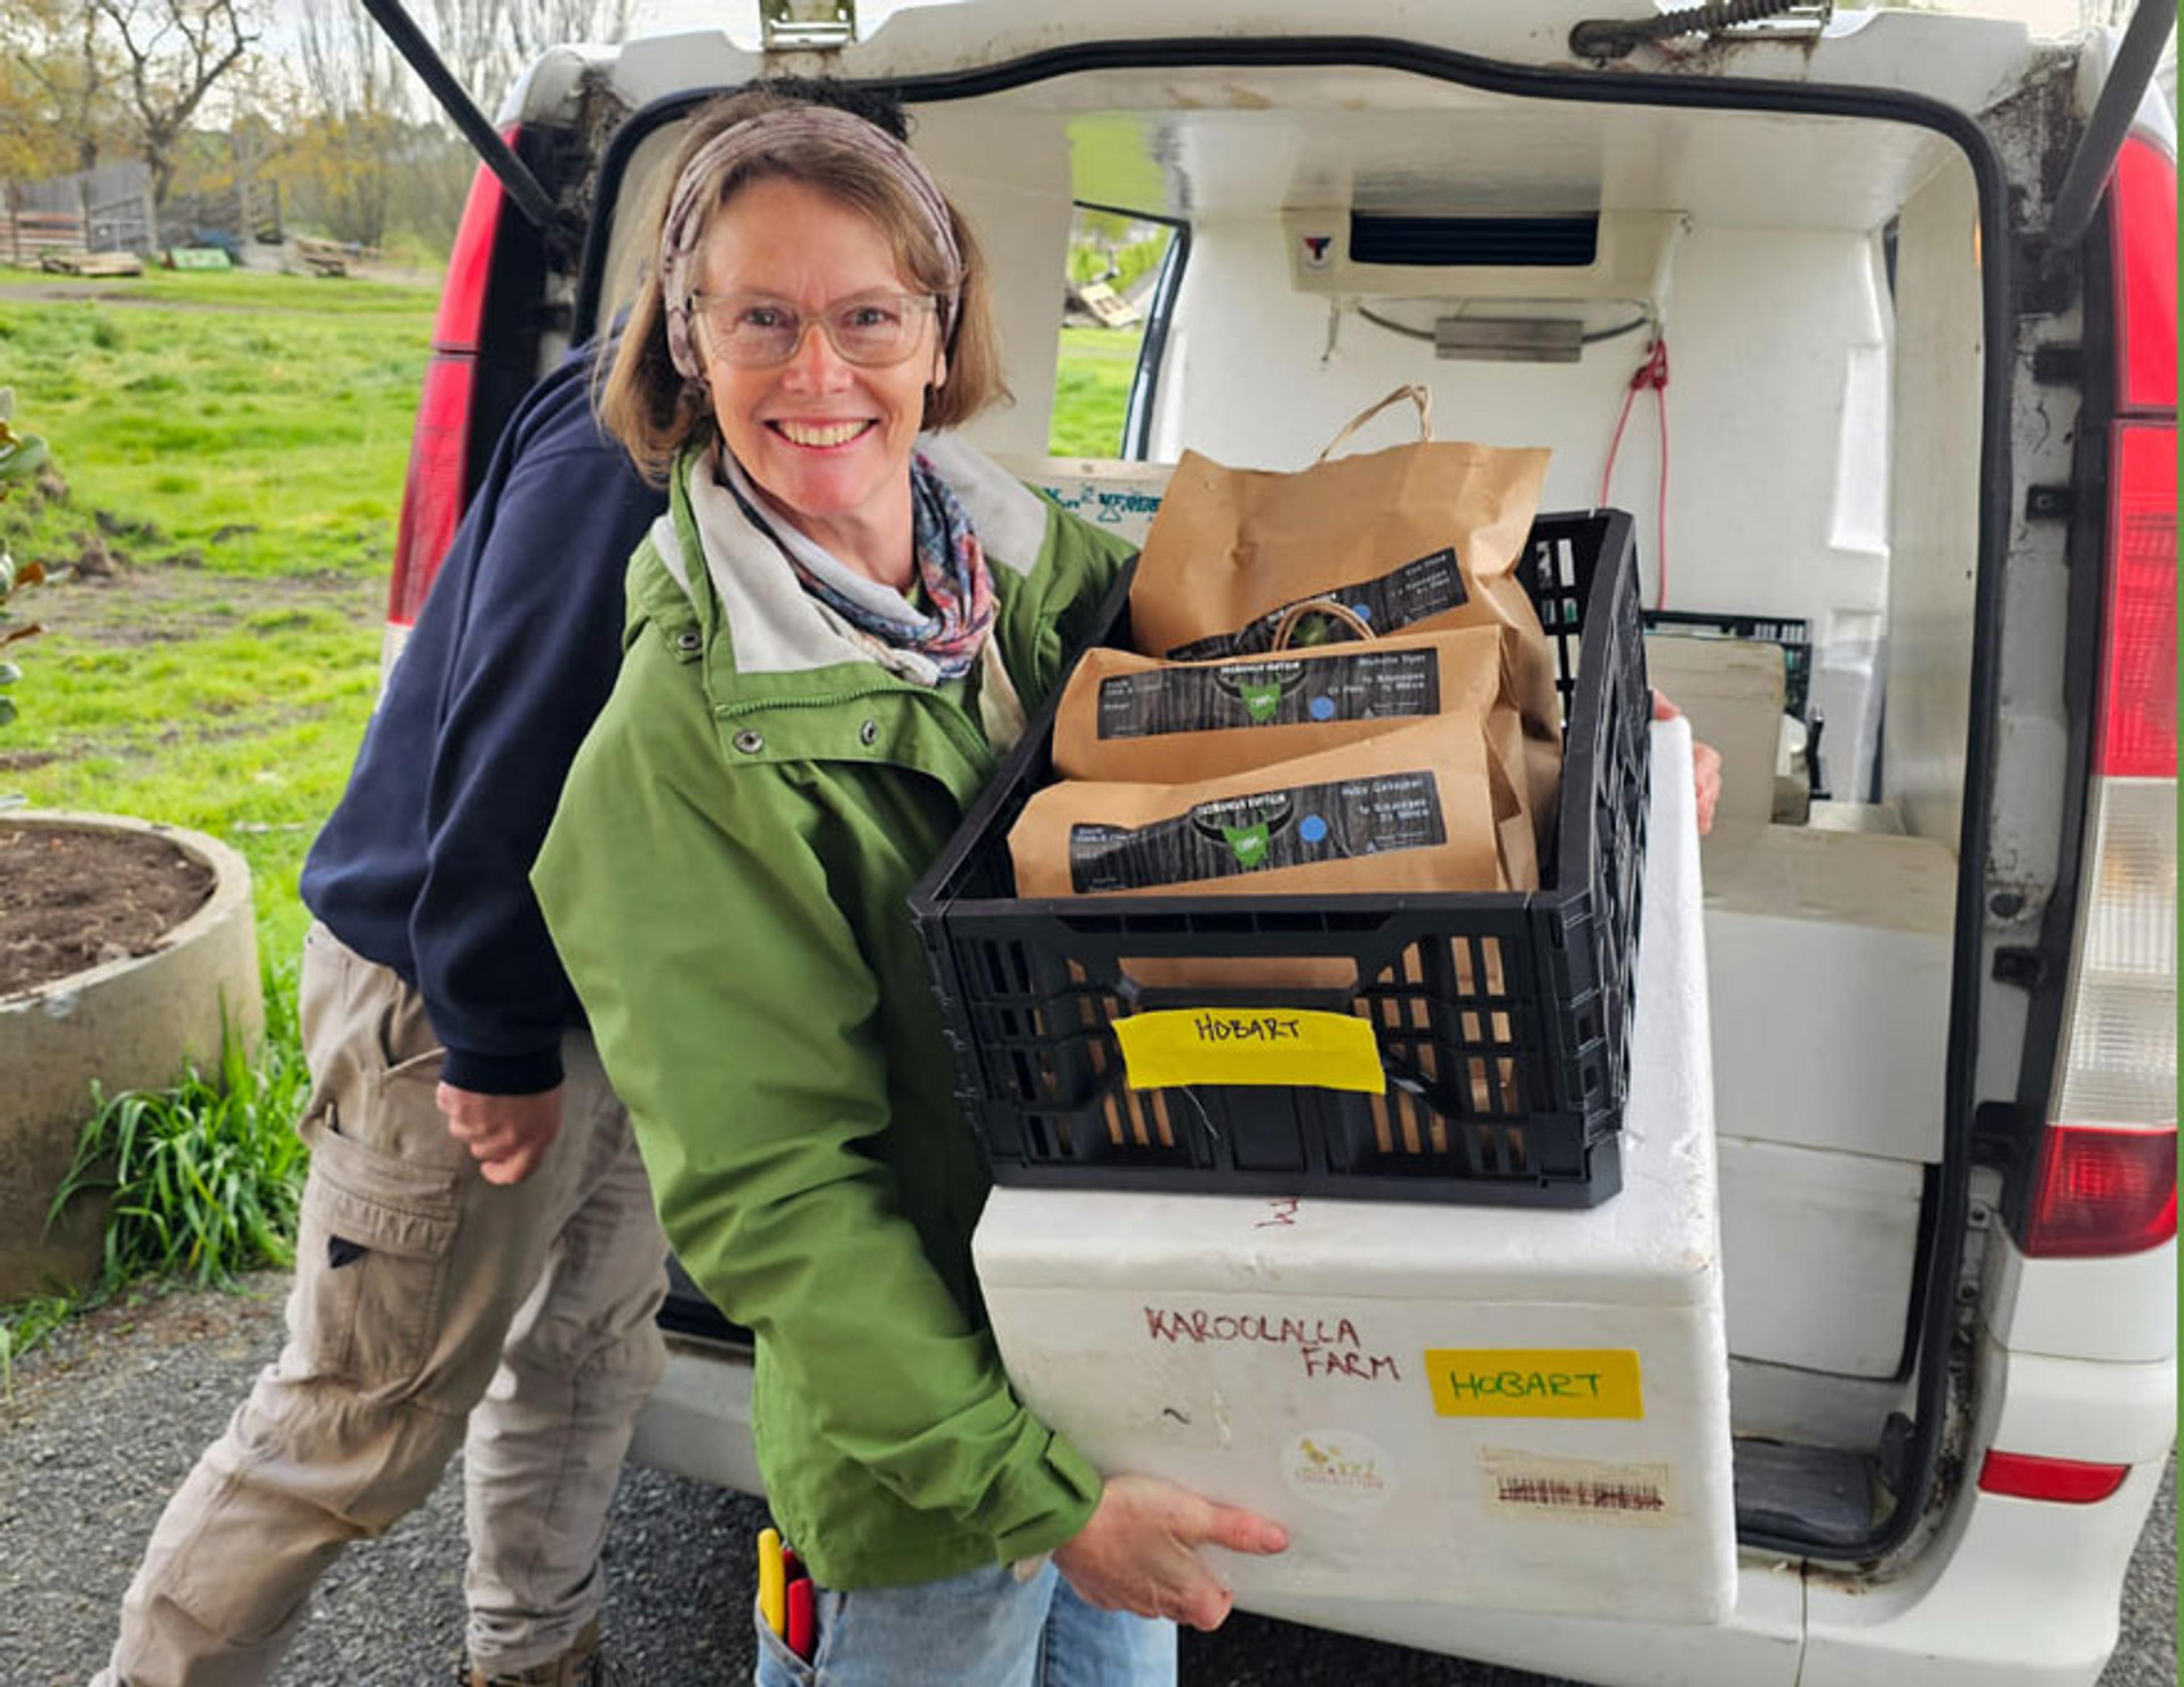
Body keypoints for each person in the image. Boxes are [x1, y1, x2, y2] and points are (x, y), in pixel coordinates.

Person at [531, 87, 1294, 1687]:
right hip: (934, 1476)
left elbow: (1275, 687)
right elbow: (784, 1199)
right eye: (761, 321)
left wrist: (1552, 723)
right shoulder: (678, 753)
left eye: (868, 315)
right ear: (687, 347)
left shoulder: (1036, 577)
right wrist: (1038, 1495)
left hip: (1111, 1378)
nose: (820, 376)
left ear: (941, 336)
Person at [92, 335, 672, 1684]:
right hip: (465, 991)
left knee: (589, 1348)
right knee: (360, 1415)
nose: (818, 344)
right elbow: (509, 732)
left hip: (614, 999)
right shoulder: (623, 446)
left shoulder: (747, 438)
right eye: (767, 300)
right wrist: (495, 1030)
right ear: (689, 280)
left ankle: (531, 1656)